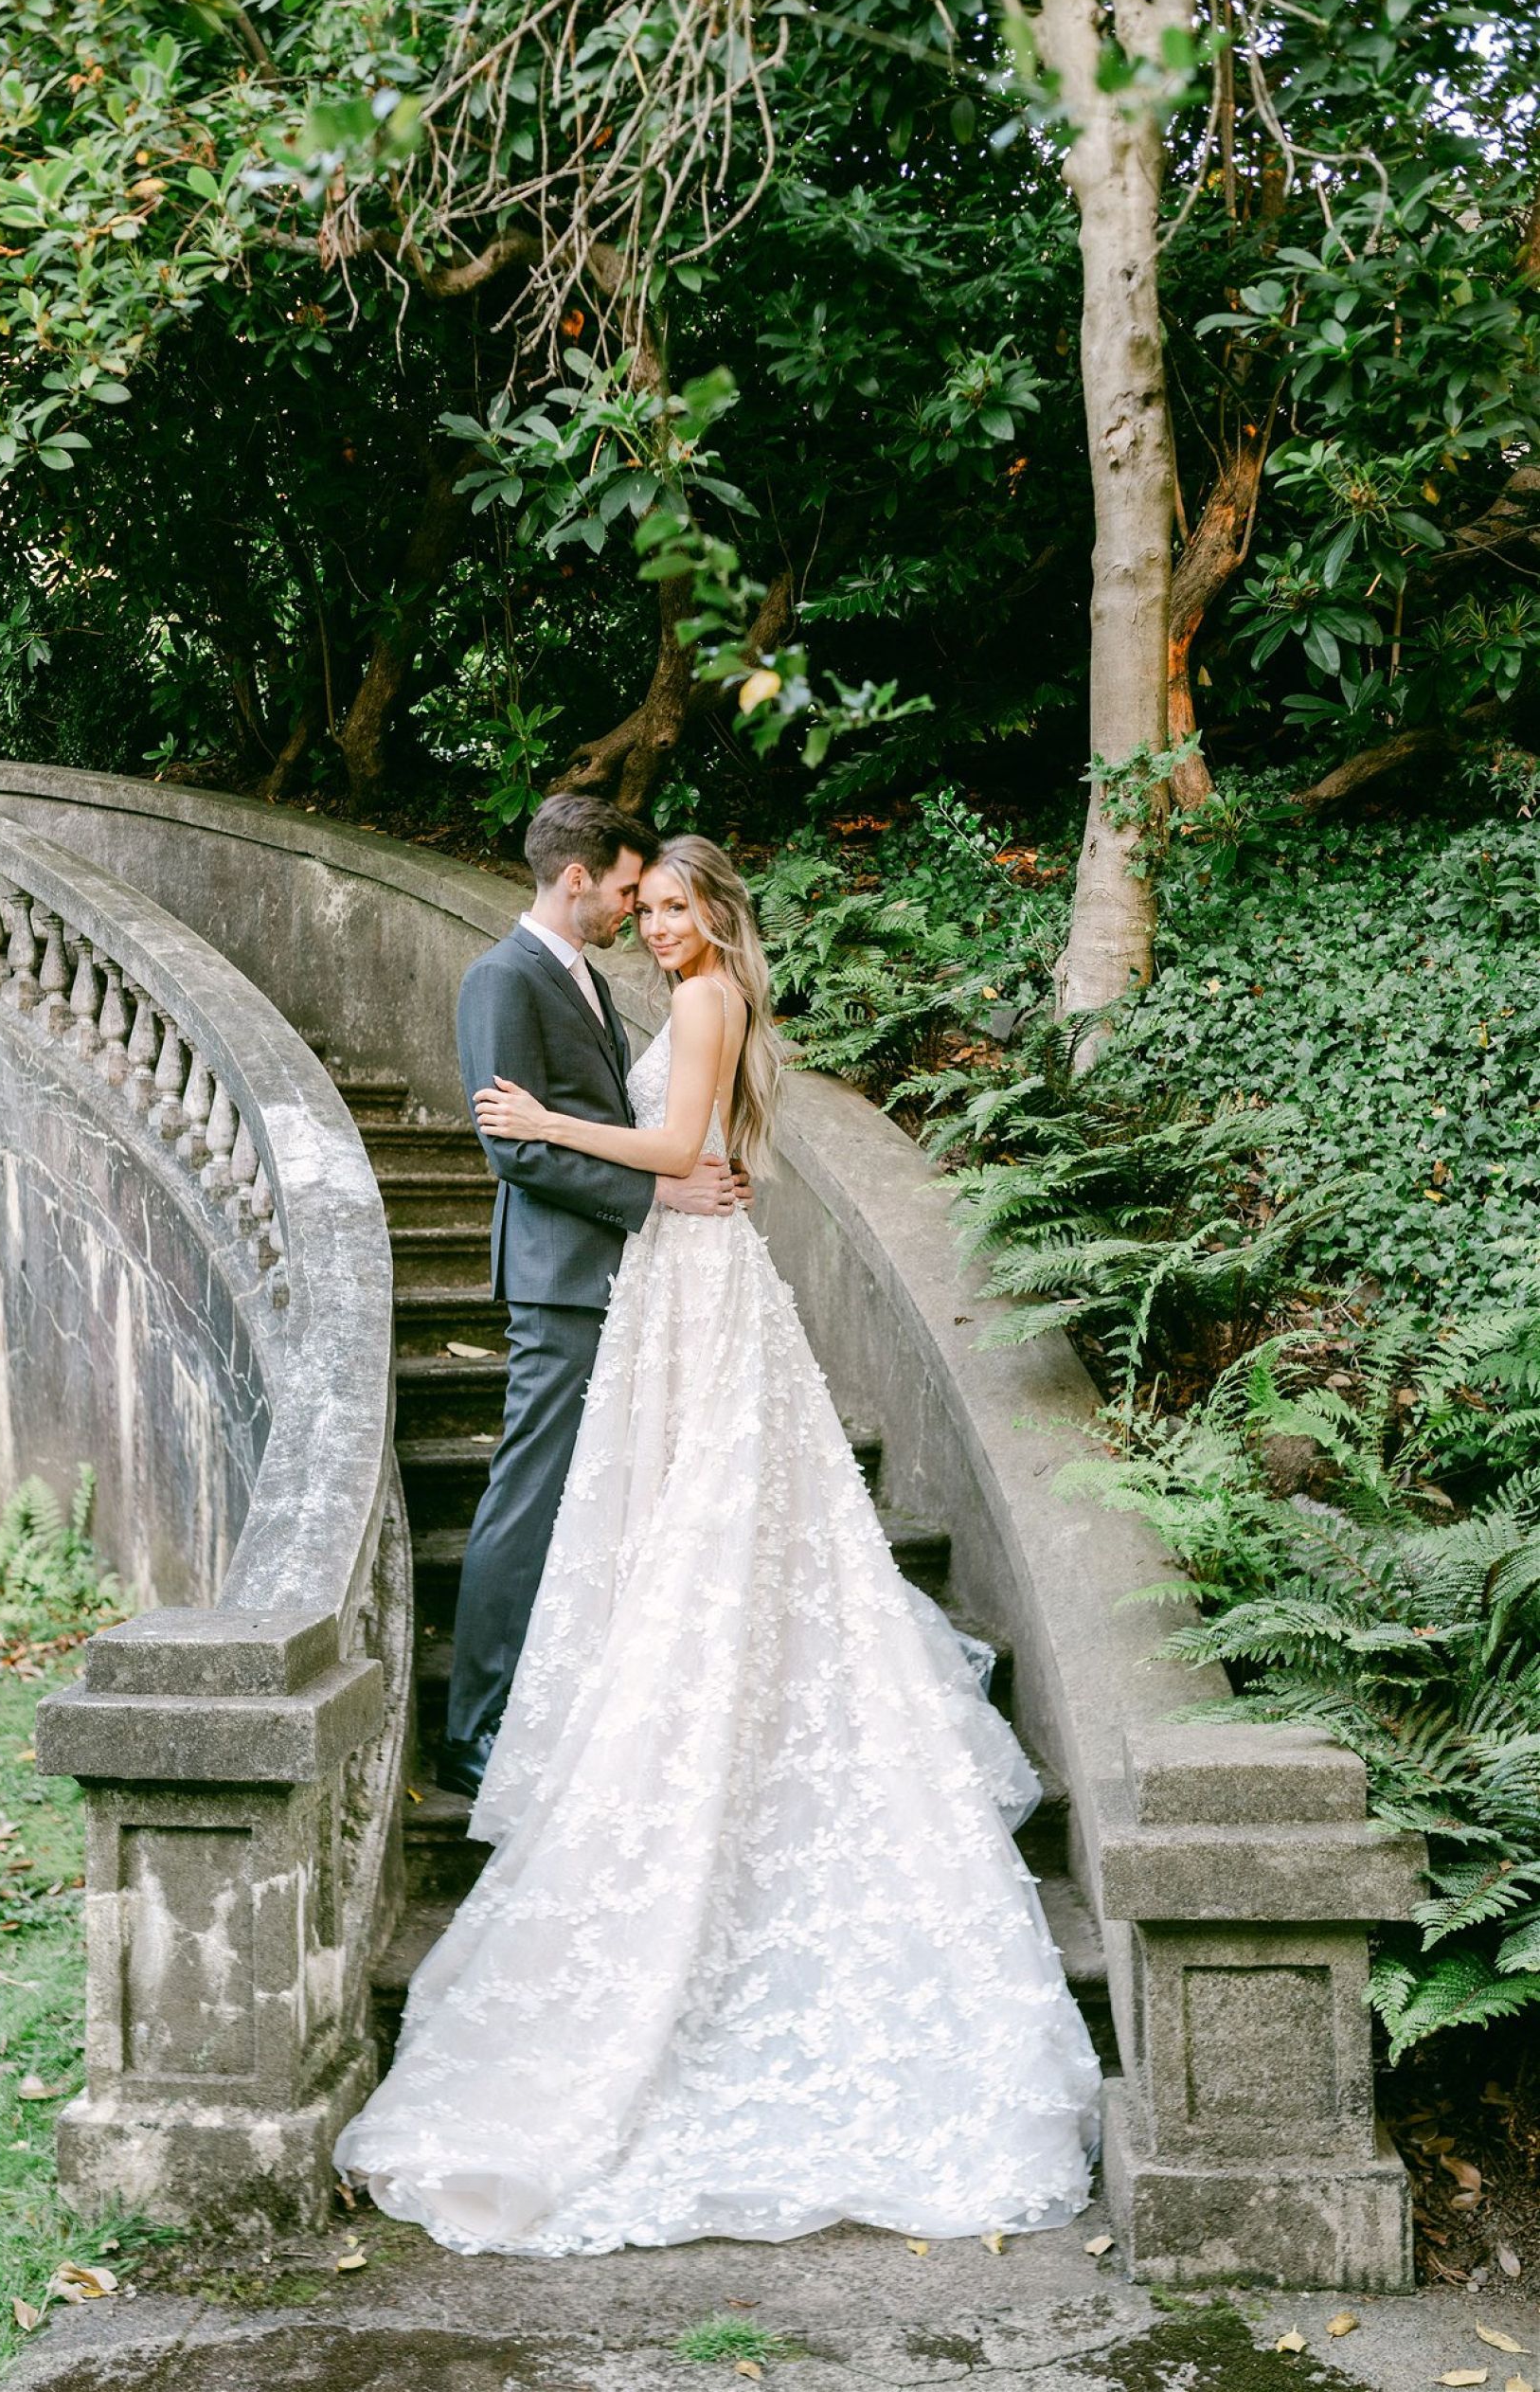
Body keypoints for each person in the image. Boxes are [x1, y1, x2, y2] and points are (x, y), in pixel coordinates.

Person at [336, 834, 1101, 2255]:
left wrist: (553, 1127)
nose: (660, 925)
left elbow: (683, 1152)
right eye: (652, 906)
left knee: (710, 1519)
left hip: (694, 1269)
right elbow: (691, 1156)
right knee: (689, 1511)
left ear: (716, 913)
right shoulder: (678, 996)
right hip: (677, 1279)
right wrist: (636, 1166)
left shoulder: (699, 1003)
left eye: (679, 907)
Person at [438, 795, 748, 1798]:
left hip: (623, 1271)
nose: (634, 913)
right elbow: (511, 1144)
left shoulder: (591, 986)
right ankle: (473, 1730)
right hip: (560, 1279)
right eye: (625, 892)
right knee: (527, 1499)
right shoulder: (502, 978)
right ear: (577, 880)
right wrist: (656, 1187)